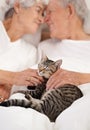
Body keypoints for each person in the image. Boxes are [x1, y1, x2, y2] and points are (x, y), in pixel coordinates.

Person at [37, 0, 90, 129]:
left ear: (70, 11)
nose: (45, 19)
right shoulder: (44, 46)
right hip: (46, 108)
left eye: (50, 12)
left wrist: (81, 78)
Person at [0, 0, 46, 102]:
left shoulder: (30, 52)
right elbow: (17, 79)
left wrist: (8, 85)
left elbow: (21, 90)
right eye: (38, 10)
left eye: (43, 14)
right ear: (18, 7)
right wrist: (13, 78)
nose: (42, 19)